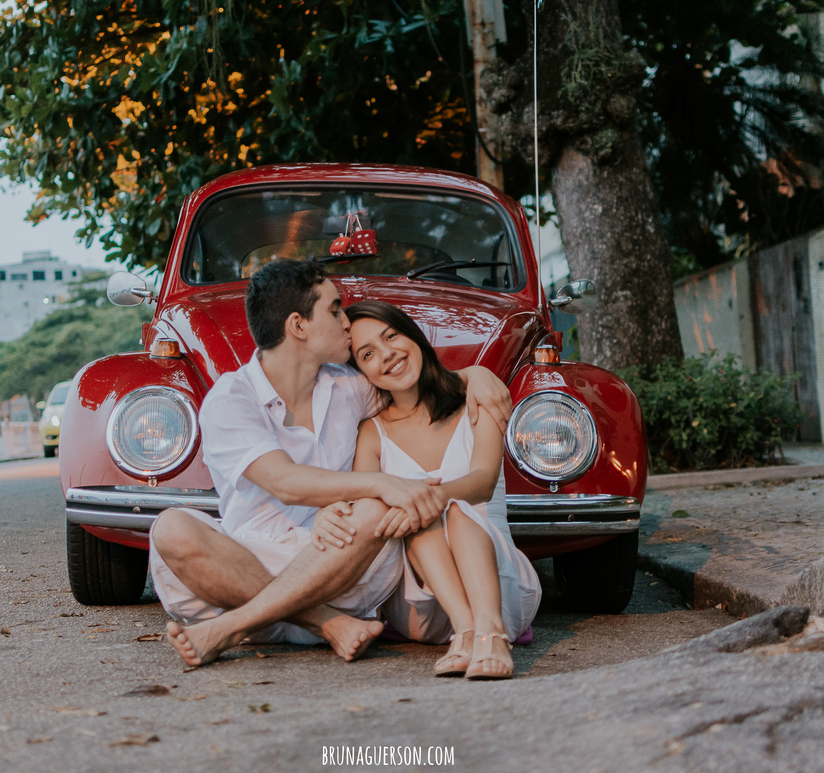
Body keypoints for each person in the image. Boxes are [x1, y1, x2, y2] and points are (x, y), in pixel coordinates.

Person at [149, 258, 512, 668]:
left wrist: (472, 374)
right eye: (335, 309)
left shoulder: (348, 386)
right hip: (245, 570)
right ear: (298, 326)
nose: (346, 321)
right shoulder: (230, 401)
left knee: (375, 510)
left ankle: (232, 628)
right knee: (170, 528)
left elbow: (411, 381)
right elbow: (285, 482)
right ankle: (325, 624)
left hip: (343, 564)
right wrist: (378, 484)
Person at [314, 300, 540, 680]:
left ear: (413, 336)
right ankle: (466, 630)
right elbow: (363, 504)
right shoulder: (373, 432)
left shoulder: (476, 402)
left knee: (449, 507)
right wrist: (328, 510)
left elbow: (484, 481)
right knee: (415, 507)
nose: (387, 355)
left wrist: (435, 496)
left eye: (391, 336)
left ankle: (489, 633)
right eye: (368, 353)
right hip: (423, 602)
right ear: (362, 371)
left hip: (500, 588)